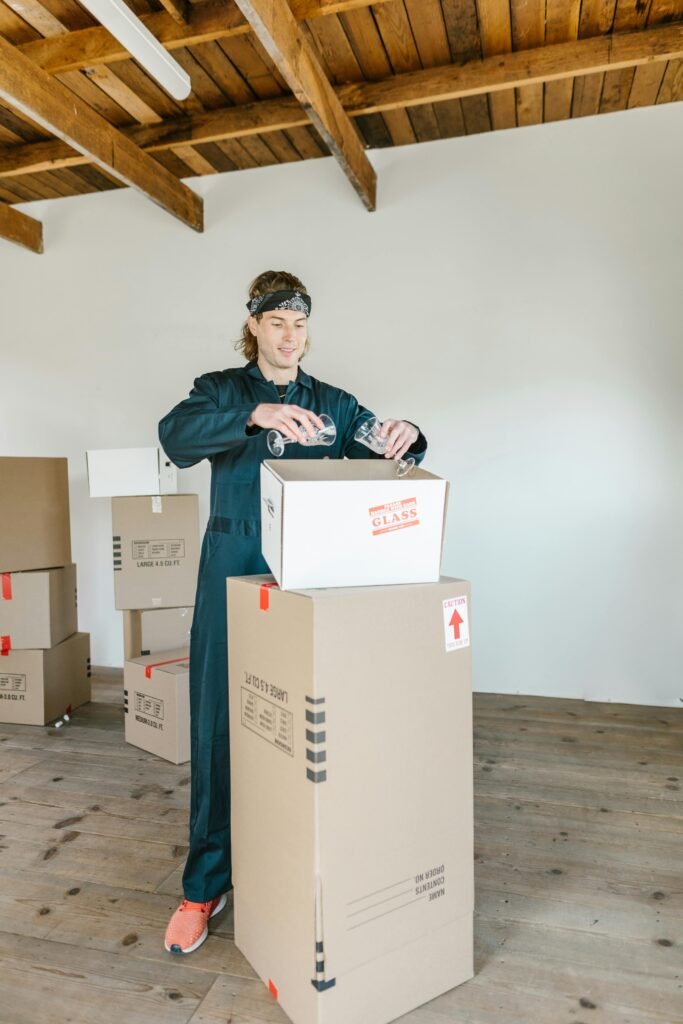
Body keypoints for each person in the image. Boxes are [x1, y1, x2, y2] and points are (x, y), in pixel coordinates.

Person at [158, 270, 428, 954]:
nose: (290, 337)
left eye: (299, 324)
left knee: (307, 724)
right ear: (253, 326)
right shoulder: (221, 389)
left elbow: (382, 443)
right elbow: (175, 437)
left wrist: (407, 433)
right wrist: (255, 415)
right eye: (277, 323)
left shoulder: (330, 402)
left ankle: (305, 865)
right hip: (231, 563)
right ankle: (203, 886)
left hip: (309, 573)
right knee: (219, 721)